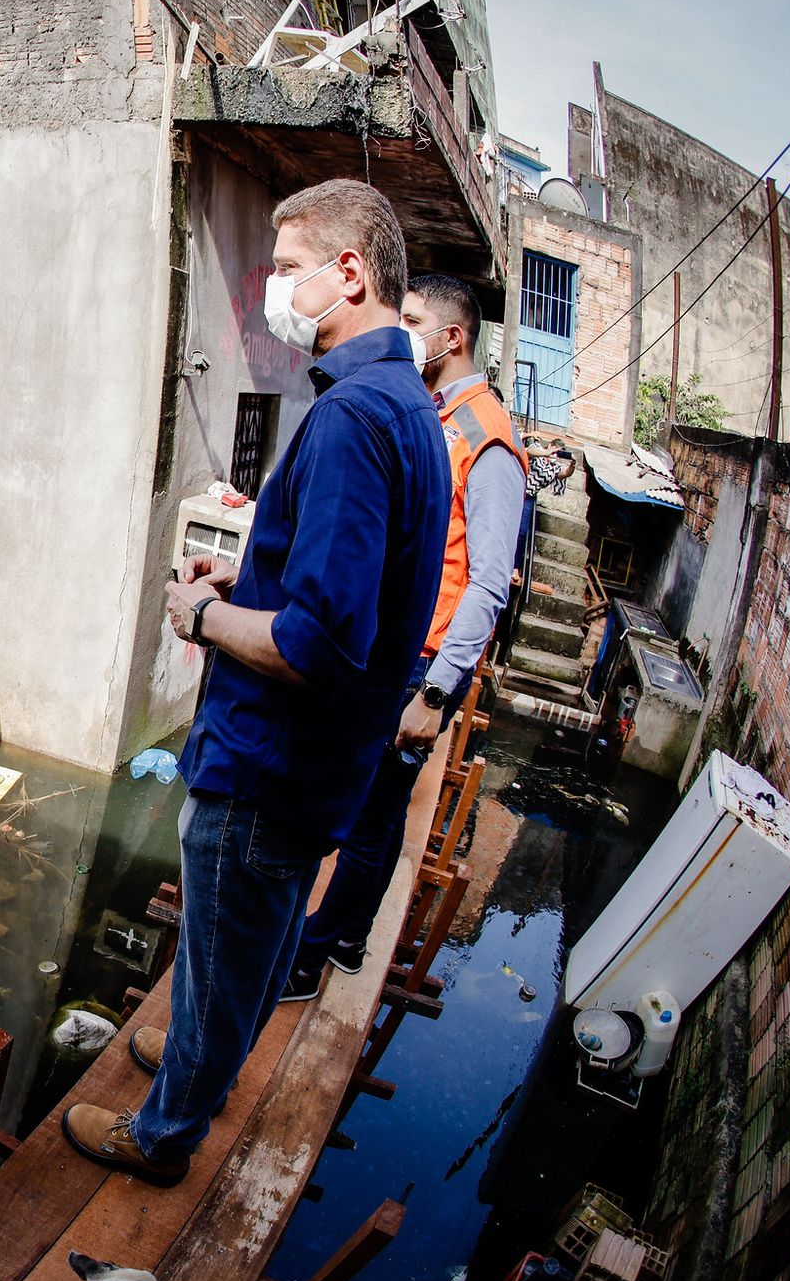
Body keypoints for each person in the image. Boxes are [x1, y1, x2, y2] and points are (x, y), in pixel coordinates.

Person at [60, 178, 451, 1184]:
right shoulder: (405, 405)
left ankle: (161, 1135)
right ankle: (198, 1062)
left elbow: (319, 641)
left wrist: (201, 615)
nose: (273, 288)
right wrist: (254, 575)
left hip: (269, 763)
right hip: (316, 768)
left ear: (347, 272)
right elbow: (348, 589)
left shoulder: (353, 418)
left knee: (231, 939)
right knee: (240, 945)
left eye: (285, 268)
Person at [276, 274, 527, 1003]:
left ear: (453, 338)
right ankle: (348, 937)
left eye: (414, 320)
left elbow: (487, 582)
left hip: (424, 664)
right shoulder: (438, 414)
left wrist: (440, 694)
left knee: (368, 813)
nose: (402, 328)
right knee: (379, 811)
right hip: (403, 651)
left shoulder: (488, 441)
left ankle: (309, 957)